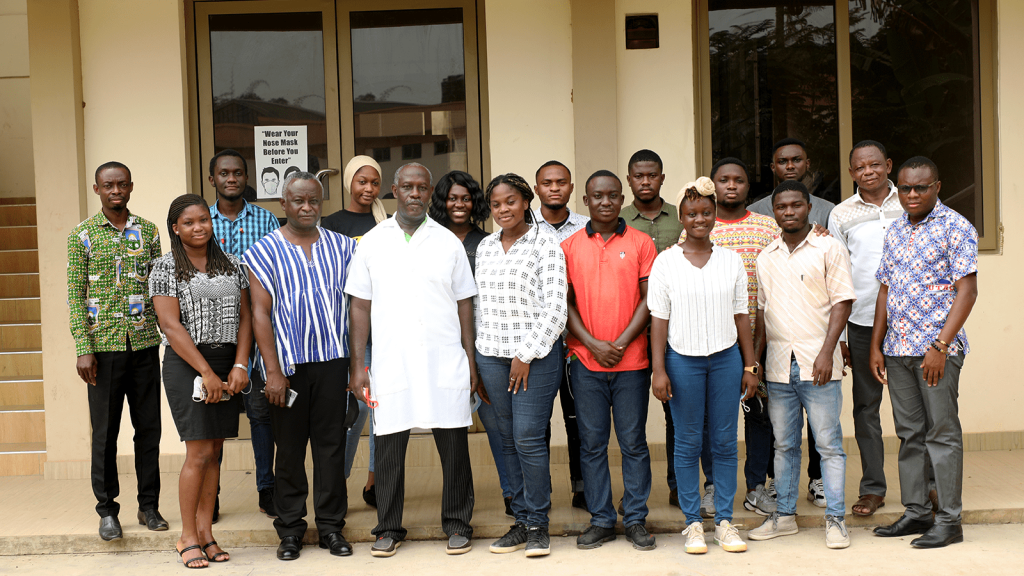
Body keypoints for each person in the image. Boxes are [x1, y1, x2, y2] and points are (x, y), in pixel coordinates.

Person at [345, 163, 480, 558]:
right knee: (388, 444)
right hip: (390, 361)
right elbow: (359, 306)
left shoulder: (448, 242)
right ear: (394, 190)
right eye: (407, 187)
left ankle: (457, 523)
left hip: (444, 358)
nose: (415, 194)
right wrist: (357, 365)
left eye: (422, 187)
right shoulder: (372, 241)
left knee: (453, 444)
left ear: (431, 191)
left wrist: (470, 360)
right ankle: (387, 527)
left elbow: (465, 304)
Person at [245, 172, 357, 561]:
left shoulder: (344, 248)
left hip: (332, 360)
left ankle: (330, 528)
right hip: (287, 366)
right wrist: (272, 372)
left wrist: (356, 367)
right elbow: (260, 313)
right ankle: (290, 530)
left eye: (313, 200)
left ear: (320, 203)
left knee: (331, 447)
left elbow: (357, 306)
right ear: (284, 205)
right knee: (289, 450)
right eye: (298, 201)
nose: (306, 207)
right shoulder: (264, 250)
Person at [870, 157, 978, 549]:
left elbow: (967, 291)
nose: (911, 195)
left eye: (920, 187)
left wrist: (941, 346)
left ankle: (949, 521)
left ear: (937, 186)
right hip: (897, 350)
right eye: (905, 188)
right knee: (910, 434)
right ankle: (916, 513)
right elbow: (885, 289)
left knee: (942, 434)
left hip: (937, 351)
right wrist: (877, 345)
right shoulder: (895, 230)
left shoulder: (957, 227)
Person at [648, 177, 758, 555]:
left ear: (715, 216)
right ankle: (693, 523)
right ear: (680, 216)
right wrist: (658, 369)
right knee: (688, 442)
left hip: (726, 360)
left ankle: (725, 522)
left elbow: (742, 315)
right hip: (682, 361)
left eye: (706, 212)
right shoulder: (665, 263)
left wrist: (750, 366)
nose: (700, 219)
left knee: (726, 442)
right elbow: (658, 320)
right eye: (692, 213)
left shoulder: (730, 260)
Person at [748, 179, 855, 549]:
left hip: (818, 363)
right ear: (773, 211)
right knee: (784, 446)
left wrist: (828, 352)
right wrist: (756, 363)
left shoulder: (829, 248)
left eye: (796, 205)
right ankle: (785, 518)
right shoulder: (767, 256)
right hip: (778, 365)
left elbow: (843, 302)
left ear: (808, 207)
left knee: (828, 444)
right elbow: (762, 312)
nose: (789, 212)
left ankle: (836, 520)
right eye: (782, 207)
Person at [67, 161, 167, 542]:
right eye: (108, 185)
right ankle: (107, 510)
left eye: (121, 184)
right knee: (105, 434)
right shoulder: (82, 235)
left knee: (149, 430)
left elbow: (159, 288)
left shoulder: (149, 231)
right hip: (103, 349)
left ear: (130, 187)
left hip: (143, 344)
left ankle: (149, 506)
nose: (115, 190)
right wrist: (83, 347)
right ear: (97, 190)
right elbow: (75, 295)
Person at [150, 194, 251, 568]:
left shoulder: (233, 266)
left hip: (227, 363)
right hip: (187, 364)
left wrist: (240, 364)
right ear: (175, 228)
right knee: (198, 452)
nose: (198, 227)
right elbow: (170, 326)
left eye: (203, 220)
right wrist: (206, 373)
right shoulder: (164, 267)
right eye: (188, 222)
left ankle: (206, 533)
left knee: (216, 452)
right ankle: (186, 536)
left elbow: (245, 320)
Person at [678, 157, 781, 519]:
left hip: (759, 337)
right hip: (711, 343)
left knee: (757, 414)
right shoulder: (700, 224)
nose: (731, 186)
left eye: (739, 179)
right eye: (724, 180)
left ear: (748, 185)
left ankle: (757, 486)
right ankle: (712, 488)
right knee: (710, 420)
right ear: (714, 186)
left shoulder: (768, 227)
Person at [474, 173, 567, 558]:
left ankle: (538, 524)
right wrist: (479, 360)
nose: (502, 210)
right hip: (491, 356)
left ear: (525, 201)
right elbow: (479, 305)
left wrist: (525, 354)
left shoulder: (546, 242)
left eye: (509, 201)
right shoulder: (485, 246)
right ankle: (520, 517)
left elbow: (556, 307)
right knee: (506, 438)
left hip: (536, 358)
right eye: (496, 204)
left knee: (528, 437)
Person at [564, 170, 656, 551]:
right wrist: (592, 344)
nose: (605, 202)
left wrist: (618, 342)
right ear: (585, 201)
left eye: (613, 196)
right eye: (597, 196)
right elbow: (563, 303)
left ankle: (635, 518)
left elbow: (649, 299)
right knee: (592, 444)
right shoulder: (568, 246)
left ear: (623, 199)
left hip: (632, 361)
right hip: (586, 362)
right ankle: (602, 518)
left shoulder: (641, 242)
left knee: (633, 442)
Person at [747, 137, 835, 507]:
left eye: (796, 160)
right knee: (776, 422)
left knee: (820, 422)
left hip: (816, 334)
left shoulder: (829, 212)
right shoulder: (756, 211)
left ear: (807, 163)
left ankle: (818, 481)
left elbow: (836, 282)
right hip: (774, 333)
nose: (789, 166)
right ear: (772, 167)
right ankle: (776, 488)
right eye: (781, 160)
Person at [428, 170, 514, 516]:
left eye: (465, 198)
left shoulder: (488, 243)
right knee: (447, 425)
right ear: (442, 202)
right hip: (440, 342)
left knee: (495, 422)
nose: (459, 204)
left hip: (485, 343)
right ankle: (458, 500)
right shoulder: (429, 241)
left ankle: (512, 493)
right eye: (452, 198)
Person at [827, 140, 902, 517]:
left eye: (875, 164)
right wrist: (839, 337)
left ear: (888, 165)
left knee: (913, 410)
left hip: (910, 324)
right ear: (852, 172)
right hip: (860, 323)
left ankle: (928, 486)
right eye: (860, 167)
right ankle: (873, 488)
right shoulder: (841, 215)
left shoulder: (911, 201)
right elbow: (837, 278)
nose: (868, 171)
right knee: (866, 408)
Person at [207, 149, 281, 520]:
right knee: (214, 417)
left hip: (257, 328)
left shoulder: (266, 219)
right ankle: (211, 493)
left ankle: (267, 489)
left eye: (238, 172)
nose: (231, 178)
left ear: (246, 177)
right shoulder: (201, 221)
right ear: (213, 180)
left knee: (260, 413)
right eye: (224, 173)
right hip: (214, 334)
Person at [321, 155, 389, 510]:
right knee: (351, 413)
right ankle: (337, 484)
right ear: (349, 181)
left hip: (382, 330)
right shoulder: (330, 224)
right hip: (344, 330)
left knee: (380, 409)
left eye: (374, 183)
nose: (368, 188)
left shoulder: (387, 223)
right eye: (362, 181)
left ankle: (375, 483)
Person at [620, 149, 683, 510]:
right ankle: (633, 493)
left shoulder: (682, 217)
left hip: (674, 333)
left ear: (662, 177)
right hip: (629, 333)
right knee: (631, 421)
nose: (645, 181)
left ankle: (678, 483)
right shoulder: (617, 220)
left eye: (652, 175)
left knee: (676, 411)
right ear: (629, 179)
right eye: (638, 175)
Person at [531, 160, 587, 509]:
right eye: (547, 183)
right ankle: (541, 493)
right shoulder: (521, 227)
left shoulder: (586, 227)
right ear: (536, 189)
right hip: (535, 341)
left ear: (570, 186)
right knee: (537, 423)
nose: (554, 188)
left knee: (578, 419)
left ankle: (582, 488)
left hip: (577, 340)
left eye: (561, 182)